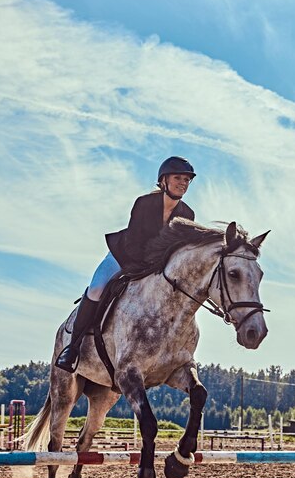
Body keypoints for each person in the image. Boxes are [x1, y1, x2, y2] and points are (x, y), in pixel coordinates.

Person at [55, 156, 196, 373]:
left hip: (154, 268)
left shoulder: (187, 214)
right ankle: (72, 348)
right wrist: (147, 267)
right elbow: (133, 243)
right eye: (178, 177)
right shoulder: (144, 203)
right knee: (96, 289)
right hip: (123, 256)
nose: (183, 183)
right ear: (163, 181)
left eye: (187, 180)